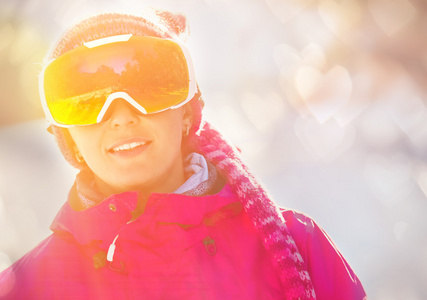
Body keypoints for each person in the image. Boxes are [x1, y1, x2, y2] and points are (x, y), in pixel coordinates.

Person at [0, 10, 367, 300]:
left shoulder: (295, 246)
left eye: (148, 88)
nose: (122, 115)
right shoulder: (26, 288)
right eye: (87, 101)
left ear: (188, 112)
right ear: (69, 138)